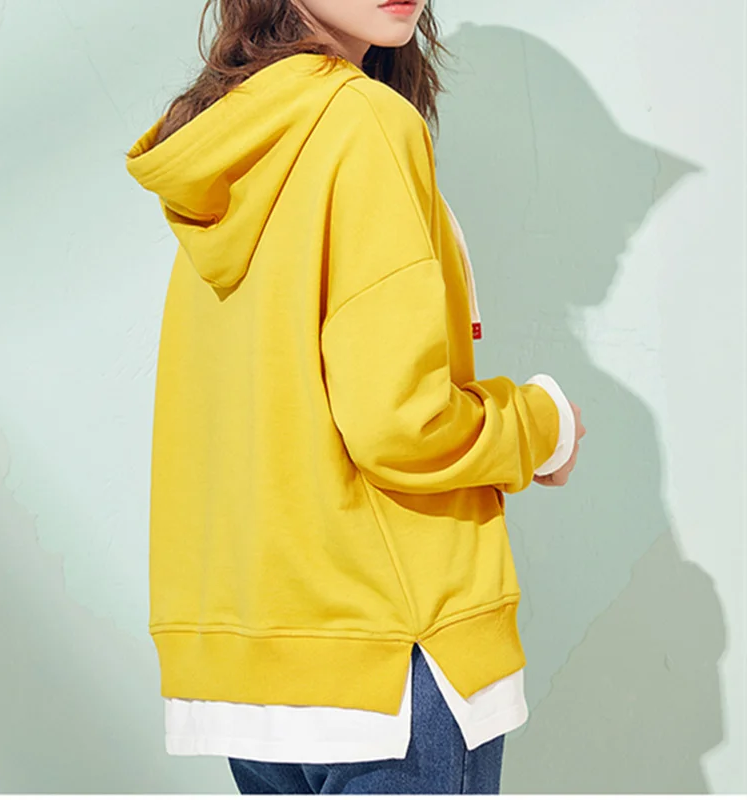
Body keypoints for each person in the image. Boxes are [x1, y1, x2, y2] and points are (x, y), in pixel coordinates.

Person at [125, 0, 586, 794]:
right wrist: (542, 427)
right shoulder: (363, 121)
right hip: (392, 662)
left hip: (254, 668)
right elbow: (403, 423)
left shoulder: (228, 143)